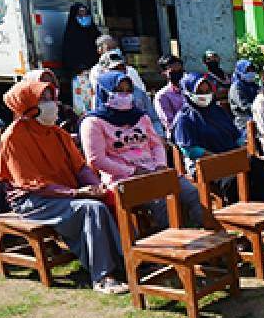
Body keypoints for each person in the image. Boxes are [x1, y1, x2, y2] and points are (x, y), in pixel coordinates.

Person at [0, 79, 129, 295]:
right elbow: (31, 184)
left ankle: (127, 261)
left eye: (52, 98)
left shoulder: (58, 133)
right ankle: (103, 275)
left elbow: (80, 168)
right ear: (27, 104)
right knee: (90, 209)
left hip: (64, 193)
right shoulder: (13, 137)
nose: (52, 104)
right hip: (32, 200)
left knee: (110, 198)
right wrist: (76, 193)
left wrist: (97, 186)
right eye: (43, 99)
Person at [81, 70, 215, 230]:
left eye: (127, 90)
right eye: (118, 91)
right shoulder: (93, 122)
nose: (124, 95)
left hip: (154, 170)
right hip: (123, 179)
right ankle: (173, 246)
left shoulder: (140, 117)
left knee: (193, 193)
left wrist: (159, 165)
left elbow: (156, 144)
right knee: (161, 202)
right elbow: (96, 159)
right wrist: (132, 171)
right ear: (104, 92)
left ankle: (208, 234)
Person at [173, 72, 264, 203]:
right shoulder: (185, 118)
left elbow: (236, 135)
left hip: (231, 157)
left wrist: (239, 151)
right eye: (199, 91)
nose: (204, 94)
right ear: (188, 92)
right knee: (235, 181)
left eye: (207, 90)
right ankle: (241, 216)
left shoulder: (218, 111)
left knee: (262, 169)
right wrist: (221, 160)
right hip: (207, 164)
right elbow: (190, 150)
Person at [60, 3, 101, 100]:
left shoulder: (94, 32)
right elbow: (68, 56)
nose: (84, 17)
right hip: (80, 74)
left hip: (97, 73)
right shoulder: (71, 35)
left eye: (86, 14)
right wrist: (79, 69)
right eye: (80, 15)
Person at [22, 69, 80, 134]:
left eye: (52, 83)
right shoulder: (26, 115)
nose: (50, 87)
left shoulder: (66, 111)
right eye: (43, 84)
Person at [154, 54, 187, 138]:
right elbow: (170, 123)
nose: (178, 74)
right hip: (179, 136)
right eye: (173, 72)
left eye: (180, 71)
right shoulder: (162, 95)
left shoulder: (189, 89)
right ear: (163, 73)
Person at [227, 59, 260, 135]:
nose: (251, 73)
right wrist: (260, 108)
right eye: (247, 71)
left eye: (252, 70)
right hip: (244, 121)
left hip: (257, 116)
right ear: (240, 71)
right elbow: (244, 106)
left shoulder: (253, 85)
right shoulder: (236, 87)